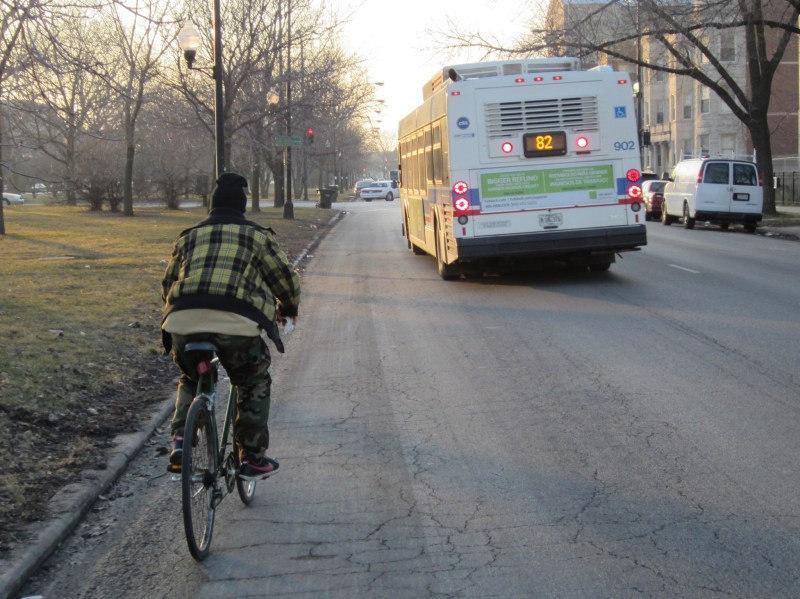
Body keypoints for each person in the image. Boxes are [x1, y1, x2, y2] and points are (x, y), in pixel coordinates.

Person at [161, 172, 300, 481]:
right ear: (243, 206)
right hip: (236, 327)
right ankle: (251, 456)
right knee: (252, 381)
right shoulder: (258, 237)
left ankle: (181, 441)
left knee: (190, 376)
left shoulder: (188, 237)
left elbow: (168, 283)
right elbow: (285, 280)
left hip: (183, 322)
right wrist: (288, 308)